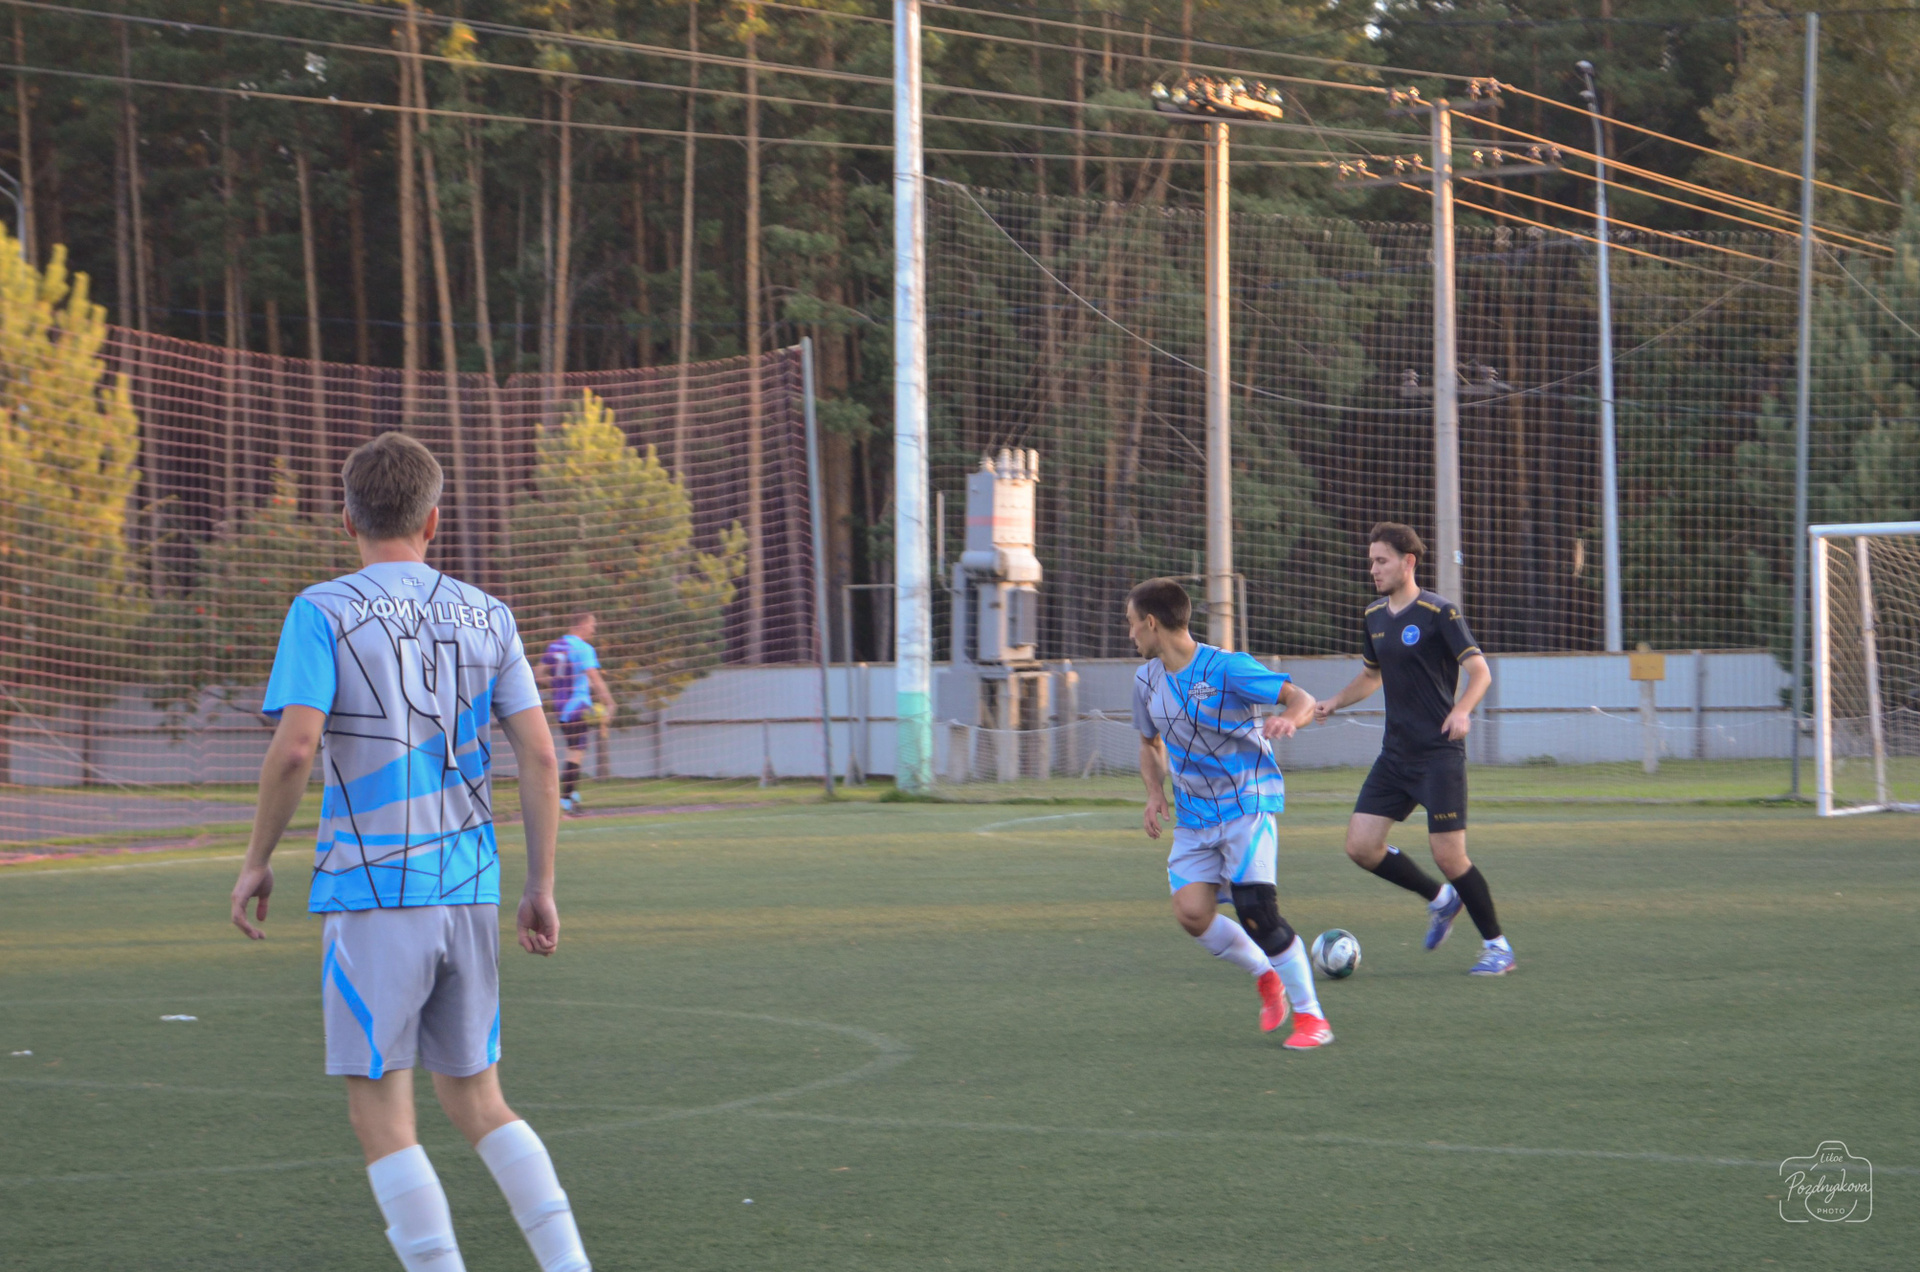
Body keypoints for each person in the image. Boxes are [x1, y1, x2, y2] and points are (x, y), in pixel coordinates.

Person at [228, 432, 591, 1272]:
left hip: (373, 891)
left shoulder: (322, 609)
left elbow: (295, 747)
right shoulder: (489, 614)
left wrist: (256, 859)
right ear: (433, 520)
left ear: (347, 518)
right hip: (469, 888)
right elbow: (541, 756)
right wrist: (539, 884)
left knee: (383, 1117)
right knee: (480, 1101)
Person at [1129, 577, 1334, 1050]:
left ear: (1152, 623)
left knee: (1257, 911)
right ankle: (1266, 974)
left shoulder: (1227, 667)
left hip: (1247, 804)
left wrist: (1289, 719)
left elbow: (1301, 699)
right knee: (1191, 913)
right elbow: (1148, 743)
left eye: (1132, 623)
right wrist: (1154, 792)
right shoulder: (1145, 680)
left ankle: (1312, 1019)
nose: (1130, 633)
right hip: (1194, 817)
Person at [1312, 522, 1515, 976]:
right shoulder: (1374, 616)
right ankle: (1441, 900)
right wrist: (1334, 702)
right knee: (1361, 846)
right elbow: (1371, 676)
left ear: (1408, 562)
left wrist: (1462, 710)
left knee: (1449, 856)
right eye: (1371, 561)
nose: (1373, 569)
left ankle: (1498, 947)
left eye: (1381, 561)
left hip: (1439, 755)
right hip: (1395, 755)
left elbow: (1480, 672)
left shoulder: (1438, 612)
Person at [539, 613, 610, 817]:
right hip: (578, 706)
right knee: (575, 754)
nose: (593, 629)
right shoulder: (583, 648)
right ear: (581, 624)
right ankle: (567, 802)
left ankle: (573, 797)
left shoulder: (554, 646)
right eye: (592, 624)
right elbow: (594, 677)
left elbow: (538, 674)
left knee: (574, 750)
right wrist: (609, 702)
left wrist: (558, 686)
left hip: (560, 707)